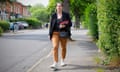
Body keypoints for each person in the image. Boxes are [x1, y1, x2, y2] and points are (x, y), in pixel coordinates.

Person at [49, 2, 72, 69]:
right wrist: (50, 34)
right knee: (55, 47)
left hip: (63, 33)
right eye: (58, 6)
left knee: (63, 47)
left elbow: (70, 24)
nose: (59, 7)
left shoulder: (66, 15)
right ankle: (55, 62)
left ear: (62, 7)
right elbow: (51, 26)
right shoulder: (53, 15)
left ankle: (62, 60)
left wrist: (64, 25)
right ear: (56, 7)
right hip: (55, 33)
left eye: (60, 6)